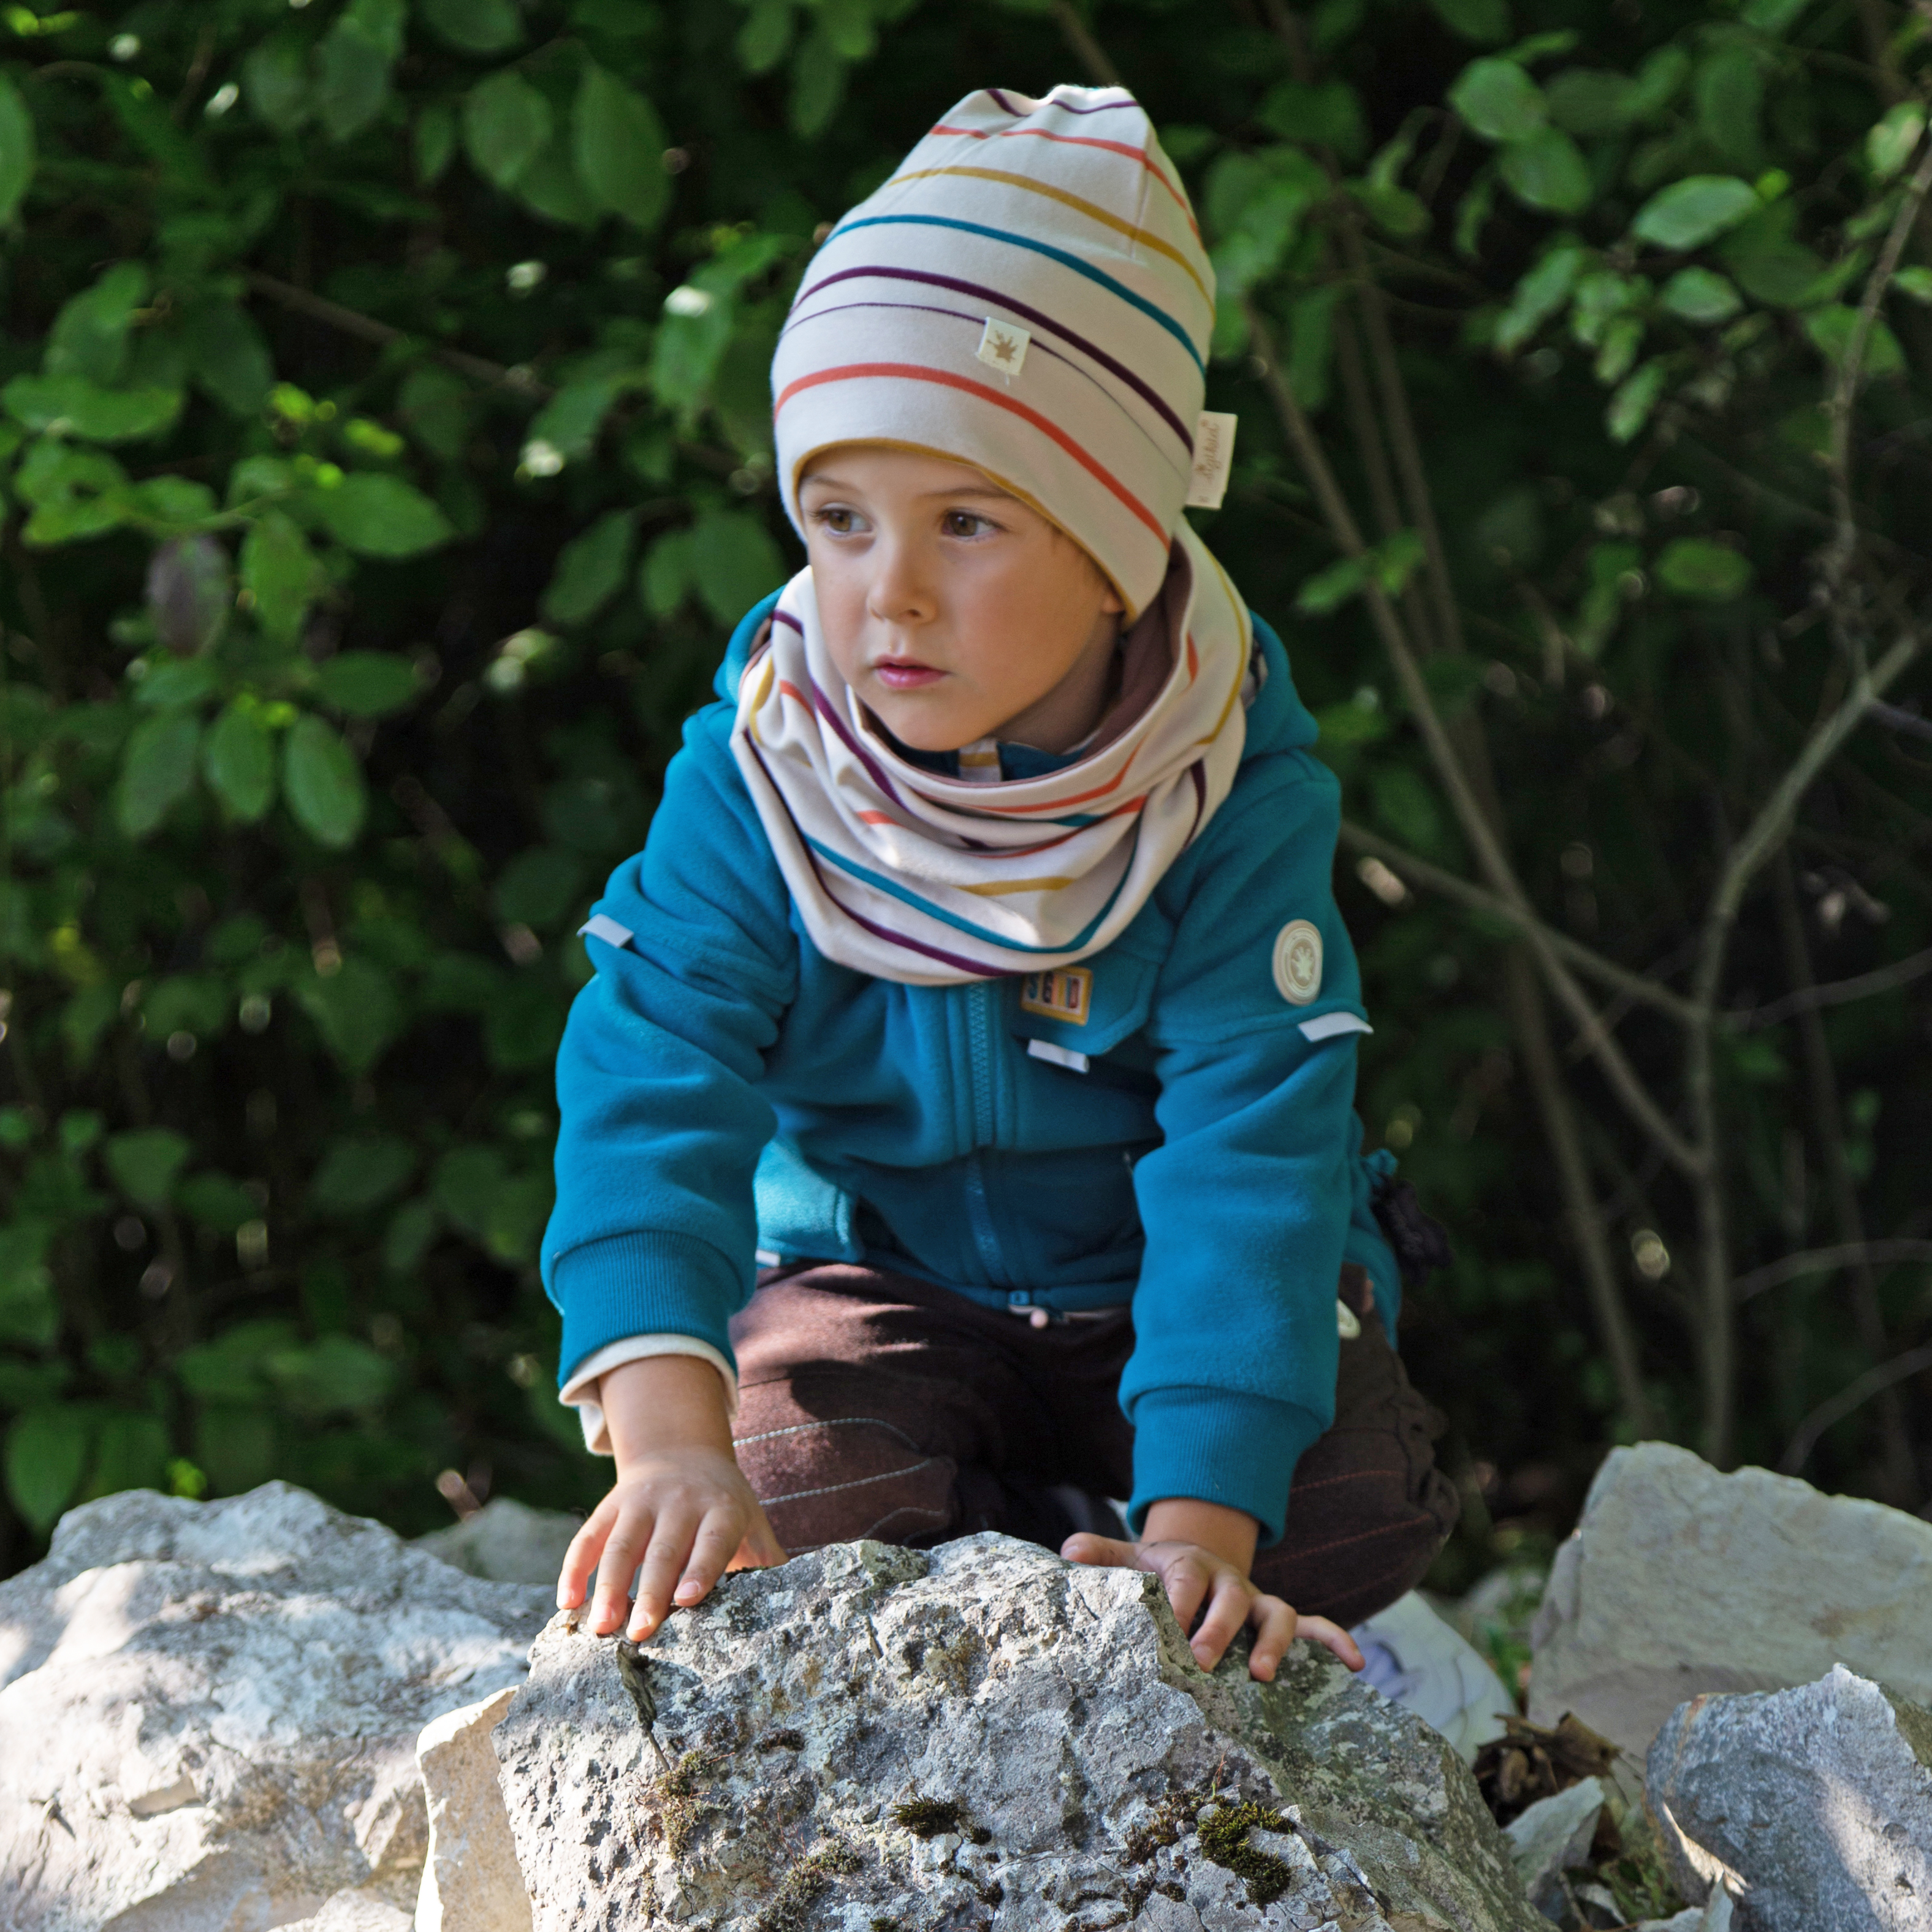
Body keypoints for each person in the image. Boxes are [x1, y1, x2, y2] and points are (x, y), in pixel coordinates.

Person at [542, 82, 1458, 1684]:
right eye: (838, 518)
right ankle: (1016, 1522)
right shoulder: (771, 764)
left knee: (1347, 1506)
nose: (885, 593)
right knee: (789, 1491)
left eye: (966, 521)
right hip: (871, 1267)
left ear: (1115, 542)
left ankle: (1120, 1516)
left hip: (1142, 1285)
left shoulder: (1223, 781)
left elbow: (1253, 1142)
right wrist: (669, 1441)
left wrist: (1201, 1540)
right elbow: (653, 1063)